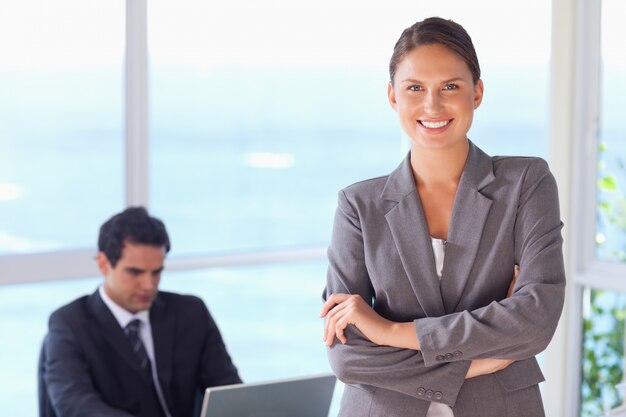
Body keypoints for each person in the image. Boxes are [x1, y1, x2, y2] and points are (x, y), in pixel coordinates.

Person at [320, 17, 565, 417]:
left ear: (478, 92)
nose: (432, 105)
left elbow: (536, 320)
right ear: (393, 96)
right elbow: (348, 358)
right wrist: (485, 359)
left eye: (450, 86)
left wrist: (390, 332)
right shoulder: (357, 206)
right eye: (415, 88)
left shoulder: (526, 183)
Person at [41, 207, 241, 417]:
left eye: (156, 272)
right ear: (103, 264)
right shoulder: (70, 323)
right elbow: (75, 404)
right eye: (135, 272)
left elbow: (227, 390)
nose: (148, 285)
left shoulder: (191, 312)